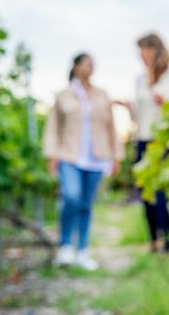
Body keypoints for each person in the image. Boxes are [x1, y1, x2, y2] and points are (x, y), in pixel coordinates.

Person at [43, 53, 124, 270]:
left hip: (96, 158)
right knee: (71, 196)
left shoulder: (101, 95)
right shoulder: (64, 95)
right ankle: (66, 245)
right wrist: (52, 154)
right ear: (76, 67)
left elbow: (111, 127)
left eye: (93, 64)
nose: (91, 68)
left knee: (86, 204)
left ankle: (83, 251)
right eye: (87, 64)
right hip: (69, 156)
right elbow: (53, 127)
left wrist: (116, 156)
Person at [130, 34, 169, 253]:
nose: (141, 55)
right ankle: (153, 239)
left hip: (165, 142)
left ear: (155, 50)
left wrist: (166, 103)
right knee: (146, 192)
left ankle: (168, 241)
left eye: (143, 50)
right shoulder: (140, 79)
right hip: (143, 140)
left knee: (163, 194)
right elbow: (138, 117)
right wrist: (129, 108)